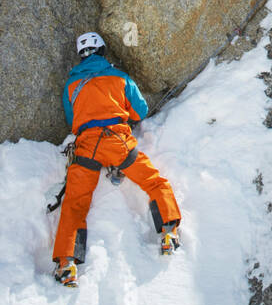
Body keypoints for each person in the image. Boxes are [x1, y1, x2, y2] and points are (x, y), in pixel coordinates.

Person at [52, 32, 181, 287]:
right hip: (118, 143)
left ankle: (66, 263)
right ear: (102, 50)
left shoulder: (71, 85)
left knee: (75, 204)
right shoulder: (119, 77)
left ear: (81, 55)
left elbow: (71, 119)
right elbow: (140, 110)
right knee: (154, 183)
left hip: (86, 146)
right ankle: (168, 231)